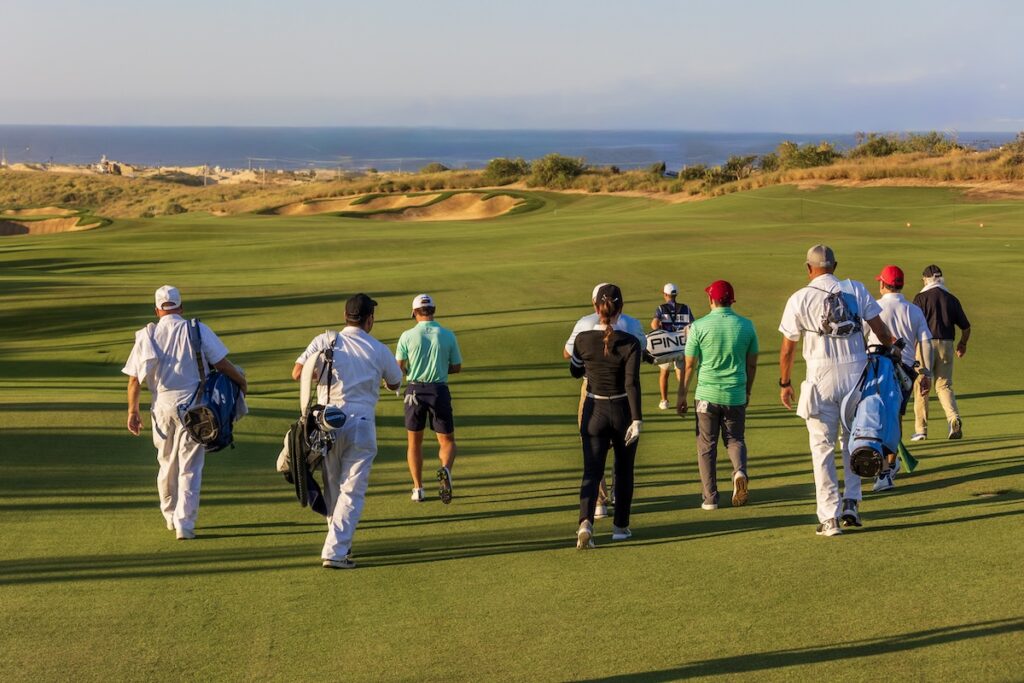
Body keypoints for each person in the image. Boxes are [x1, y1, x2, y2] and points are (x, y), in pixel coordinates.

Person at [778, 245, 895, 536]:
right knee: (853, 441)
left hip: (820, 377)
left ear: (808, 268)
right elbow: (881, 332)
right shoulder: (855, 288)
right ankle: (852, 504)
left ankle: (829, 517)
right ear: (835, 265)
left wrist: (785, 382)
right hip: (856, 375)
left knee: (822, 449)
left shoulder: (799, 298)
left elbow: (787, 349)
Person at [122, 285, 248, 540]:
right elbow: (222, 364)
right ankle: (184, 524)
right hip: (196, 408)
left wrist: (132, 411)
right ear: (181, 306)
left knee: (166, 463)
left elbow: (134, 380)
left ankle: (169, 515)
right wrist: (242, 382)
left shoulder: (148, 335)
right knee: (190, 466)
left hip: (161, 407)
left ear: (157, 310)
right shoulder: (196, 328)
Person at [292, 293, 402, 569]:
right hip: (361, 423)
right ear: (369, 319)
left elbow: (298, 372)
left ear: (345, 316)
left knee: (333, 488)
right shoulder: (378, 348)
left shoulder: (325, 340)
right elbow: (395, 381)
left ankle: (338, 541)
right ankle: (336, 550)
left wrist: (324, 374)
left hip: (328, 421)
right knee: (351, 491)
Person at [563, 283, 647, 519]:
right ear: (621, 305)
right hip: (624, 396)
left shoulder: (584, 325)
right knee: (623, 457)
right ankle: (620, 503)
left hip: (592, 393)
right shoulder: (631, 325)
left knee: (593, 454)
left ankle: (597, 505)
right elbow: (643, 351)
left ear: (595, 305)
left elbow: (568, 356)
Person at [677, 280, 758, 510]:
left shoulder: (699, 327)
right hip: (735, 394)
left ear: (711, 300)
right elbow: (752, 365)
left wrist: (681, 395)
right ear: (731, 300)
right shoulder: (746, 325)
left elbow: (690, 365)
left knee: (706, 446)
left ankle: (710, 498)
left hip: (706, 395)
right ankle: (739, 471)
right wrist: (748, 390)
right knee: (735, 439)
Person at [866, 265, 933, 492]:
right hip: (906, 371)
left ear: (883, 284)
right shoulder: (913, 310)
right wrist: (926, 373)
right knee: (895, 418)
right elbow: (925, 343)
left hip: (875, 368)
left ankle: (884, 471)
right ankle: (889, 465)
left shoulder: (874, 307)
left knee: (875, 418)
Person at [396, 294, 463, 504]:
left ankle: (418, 488)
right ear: (433, 310)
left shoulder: (407, 336)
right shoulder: (448, 335)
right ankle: (445, 470)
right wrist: (441, 368)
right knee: (447, 440)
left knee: (414, 443)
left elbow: (399, 368)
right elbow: (457, 367)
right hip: (439, 391)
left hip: (414, 391)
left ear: (415, 313)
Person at [912, 264, 971, 441]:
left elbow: (913, 326)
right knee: (944, 385)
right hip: (946, 344)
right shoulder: (951, 299)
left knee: (922, 385)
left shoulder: (920, 298)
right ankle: (953, 419)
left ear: (926, 279)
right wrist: (962, 343)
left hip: (924, 345)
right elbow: (966, 328)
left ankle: (921, 430)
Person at [652, 282, 694, 410]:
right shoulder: (686, 308)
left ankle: (664, 400)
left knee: (664, 373)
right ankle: (683, 399)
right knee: (680, 375)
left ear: (665, 295)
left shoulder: (661, 308)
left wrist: (659, 330)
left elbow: (654, 324)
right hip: (682, 346)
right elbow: (693, 325)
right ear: (676, 295)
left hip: (667, 346)